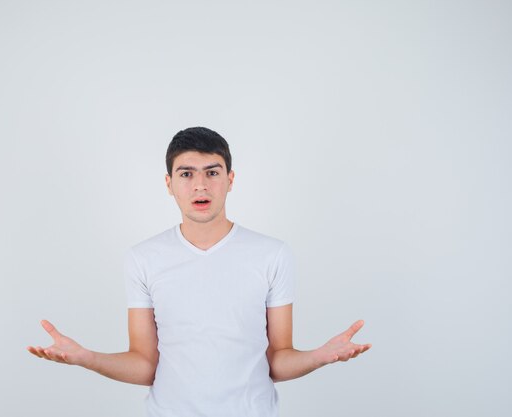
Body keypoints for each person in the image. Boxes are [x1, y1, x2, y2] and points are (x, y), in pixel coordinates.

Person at [27, 126, 371, 416]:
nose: (200, 185)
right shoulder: (143, 258)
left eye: (212, 172)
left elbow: (277, 360)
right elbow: (146, 364)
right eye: (187, 174)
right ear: (169, 183)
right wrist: (87, 358)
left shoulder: (272, 254)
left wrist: (319, 357)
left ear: (230, 179)